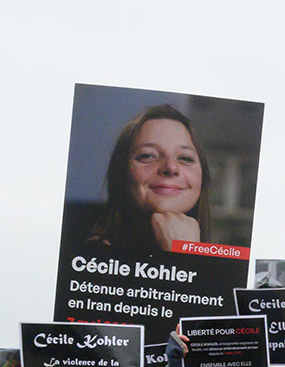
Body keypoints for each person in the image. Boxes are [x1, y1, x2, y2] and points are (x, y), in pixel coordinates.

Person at [87, 104, 212, 255]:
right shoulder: (94, 258)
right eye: (147, 156)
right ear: (122, 172)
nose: (171, 167)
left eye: (185, 158)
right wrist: (182, 254)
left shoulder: (226, 260)